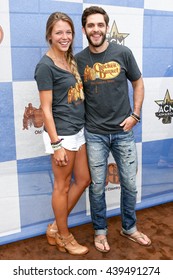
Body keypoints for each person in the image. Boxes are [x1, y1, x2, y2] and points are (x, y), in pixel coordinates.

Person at [75, 6, 151, 252]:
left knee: (129, 183)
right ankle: (100, 231)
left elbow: (138, 83)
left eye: (100, 25)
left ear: (106, 27)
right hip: (94, 133)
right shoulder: (79, 60)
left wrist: (135, 115)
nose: (95, 30)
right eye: (90, 25)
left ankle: (129, 227)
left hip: (123, 132)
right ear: (85, 29)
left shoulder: (123, 52)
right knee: (97, 186)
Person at [34, 12, 91, 255]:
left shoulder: (70, 60)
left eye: (68, 32)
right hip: (62, 136)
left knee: (84, 179)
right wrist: (56, 144)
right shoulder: (45, 66)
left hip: (78, 131)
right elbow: (45, 109)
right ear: (49, 35)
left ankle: (56, 227)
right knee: (62, 186)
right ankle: (64, 236)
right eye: (59, 32)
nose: (65, 37)